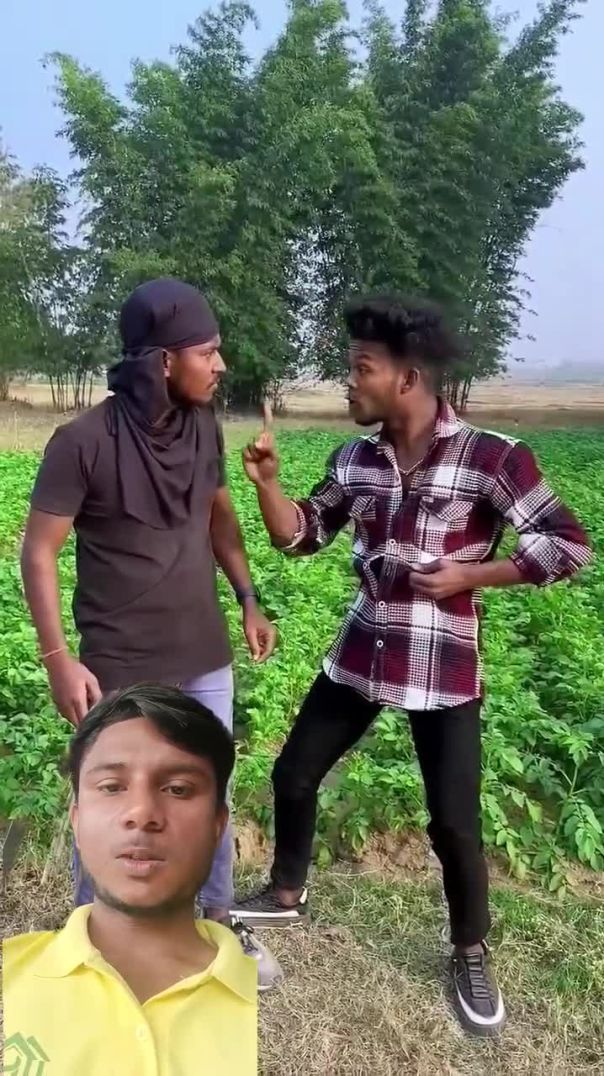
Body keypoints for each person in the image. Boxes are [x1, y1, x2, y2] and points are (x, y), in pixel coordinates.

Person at [233, 295, 593, 1035]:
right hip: (365, 643)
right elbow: (301, 537)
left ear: (408, 378)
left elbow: (568, 544)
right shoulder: (354, 460)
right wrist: (267, 485)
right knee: (294, 773)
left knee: (454, 823)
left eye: (361, 368)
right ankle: (287, 892)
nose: (349, 382)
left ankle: (470, 949)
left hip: (443, 659)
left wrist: (472, 575)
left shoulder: (492, 457)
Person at [20, 277, 280, 987]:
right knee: (116, 807)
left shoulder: (202, 426)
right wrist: (57, 659)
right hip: (120, 664)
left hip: (203, 652)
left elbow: (219, 517)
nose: (220, 364)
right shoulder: (82, 443)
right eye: (207, 351)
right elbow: (38, 552)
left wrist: (248, 599)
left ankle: (218, 922)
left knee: (206, 792)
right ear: (164, 360)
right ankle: (96, 946)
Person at [3, 685, 258, 1076]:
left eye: (178, 789)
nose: (141, 813)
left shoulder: (267, 1003)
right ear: (77, 821)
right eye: (111, 787)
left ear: (217, 825)